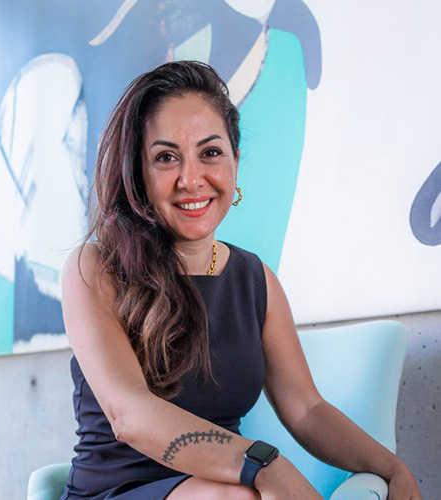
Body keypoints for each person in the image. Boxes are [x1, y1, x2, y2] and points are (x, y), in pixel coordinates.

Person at [58, 60, 422, 500]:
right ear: (139, 173)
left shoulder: (256, 280)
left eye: (210, 153)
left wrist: (394, 468)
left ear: (235, 160)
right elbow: (128, 413)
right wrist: (263, 464)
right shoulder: (95, 267)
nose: (191, 179)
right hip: (117, 491)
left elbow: (306, 409)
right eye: (166, 157)